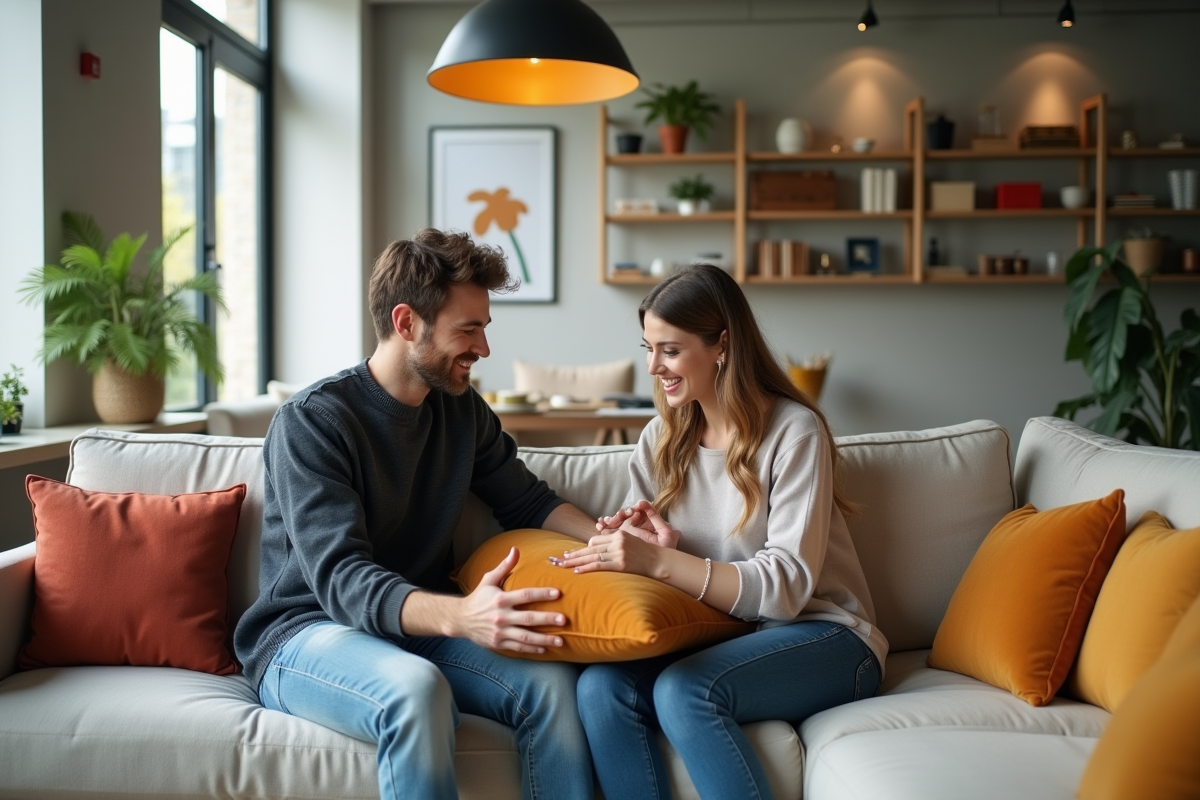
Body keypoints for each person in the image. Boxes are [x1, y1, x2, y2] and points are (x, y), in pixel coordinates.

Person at [233, 228, 602, 800]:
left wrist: (608, 538)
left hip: (416, 628)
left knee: (552, 686)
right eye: (468, 329)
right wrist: (463, 617)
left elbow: (526, 501)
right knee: (415, 691)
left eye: (484, 328)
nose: (483, 349)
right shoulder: (312, 422)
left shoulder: (461, 410)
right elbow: (342, 580)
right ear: (407, 323)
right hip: (307, 633)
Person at [555, 263, 888, 799]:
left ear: (722, 345)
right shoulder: (660, 438)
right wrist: (658, 553)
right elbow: (669, 580)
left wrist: (664, 564)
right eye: (648, 347)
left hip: (828, 637)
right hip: (727, 632)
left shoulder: (794, 431)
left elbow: (783, 589)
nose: (653, 366)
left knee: (687, 690)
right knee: (600, 689)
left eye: (669, 349)